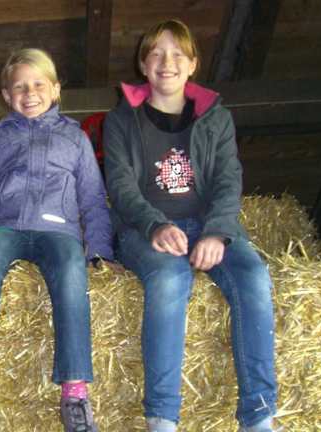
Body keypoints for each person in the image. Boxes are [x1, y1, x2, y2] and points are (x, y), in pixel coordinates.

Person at [102, 19, 278, 432]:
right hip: (143, 227)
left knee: (253, 275)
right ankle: (162, 417)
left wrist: (217, 231)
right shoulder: (120, 120)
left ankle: (259, 415)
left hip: (206, 223)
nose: (167, 62)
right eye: (156, 54)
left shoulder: (217, 118)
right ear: (143, 65)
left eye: (178, 54)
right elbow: (120, 186)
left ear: (193, 64)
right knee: (169, 279)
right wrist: (155, 225)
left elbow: (228, 180)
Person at [0, 48, 115, 432]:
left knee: (71, 269)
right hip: (6, 227)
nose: (30, 93)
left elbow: (93, 199)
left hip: (58, 231)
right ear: (6, 95)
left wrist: (99, 252)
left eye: (38, 84)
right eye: (20, 87)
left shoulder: (74, 138)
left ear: (56, 89)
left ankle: (75, 393)